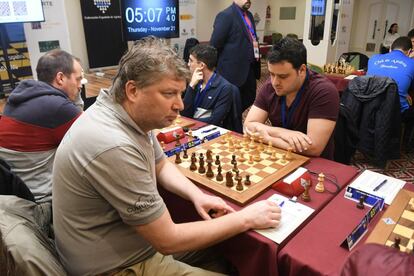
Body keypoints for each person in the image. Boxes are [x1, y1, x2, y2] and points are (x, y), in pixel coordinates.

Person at [52, 36, 281, 276]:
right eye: (169, 93)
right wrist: (247, 218)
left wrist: (197, 195)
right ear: (132, 90)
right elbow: (168, 240)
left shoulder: (124, 113)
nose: (180, 105)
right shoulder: (113, 145)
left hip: (127, 245)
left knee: (230, 251)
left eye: (181, 94)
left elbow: (160, 164)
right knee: (233, 243)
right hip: (116, 266)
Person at [0, 49, 83, 203]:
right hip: (42, 203)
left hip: (14, 196)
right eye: (78, 79)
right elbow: (93, 140)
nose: (80, 86)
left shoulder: (22, 95)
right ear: (60, 78)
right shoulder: (58, 107)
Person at [244, 38, 339, 160]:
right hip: (278, 157)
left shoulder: (324, 91)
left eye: (283, 76)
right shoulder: (270, 87)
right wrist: (283, 133)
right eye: (271, 74)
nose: (275, 82)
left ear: (302, 70)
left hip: (313, 163)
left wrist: (268, 138)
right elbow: (248, 125)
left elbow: (314, 148)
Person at [210, 0, 261, 113]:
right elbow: (214, 45)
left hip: (249, 69)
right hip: (231, 73)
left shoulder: (250, 15)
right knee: (230, 106)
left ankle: (234, 120)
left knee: (249, 98)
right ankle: (231, 125)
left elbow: (251, 38)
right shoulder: (226, 15)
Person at [181, 44, 237, 127]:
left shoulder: (224, 88)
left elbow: (215, 120)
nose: (188, 64)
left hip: (209, 131)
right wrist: (191, 86)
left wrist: (189, 122)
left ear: (201, 65)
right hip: (191, 127)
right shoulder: (195, 81)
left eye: (191, 61)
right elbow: (184, 113)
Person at [367, 36, 414, 123]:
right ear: (410, 51)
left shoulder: (373, 58)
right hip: (397, 112)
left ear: (390, 49)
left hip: (370, 107)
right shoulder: (412, 63)